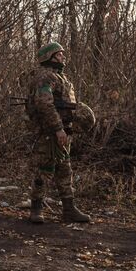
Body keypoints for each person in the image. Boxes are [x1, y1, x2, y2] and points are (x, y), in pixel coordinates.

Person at [26, 42, 90, 224]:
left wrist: (67, 128)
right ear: (50, 57)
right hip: (49, 131)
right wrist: (57, 129)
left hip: (63, 130)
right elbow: (44, 105)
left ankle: (69, 209)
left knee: (64, 169)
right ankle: (36, 208)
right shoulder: (45, 77)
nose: (63, 57)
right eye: (59, 54)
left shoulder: (60, 77)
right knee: (44, 169)